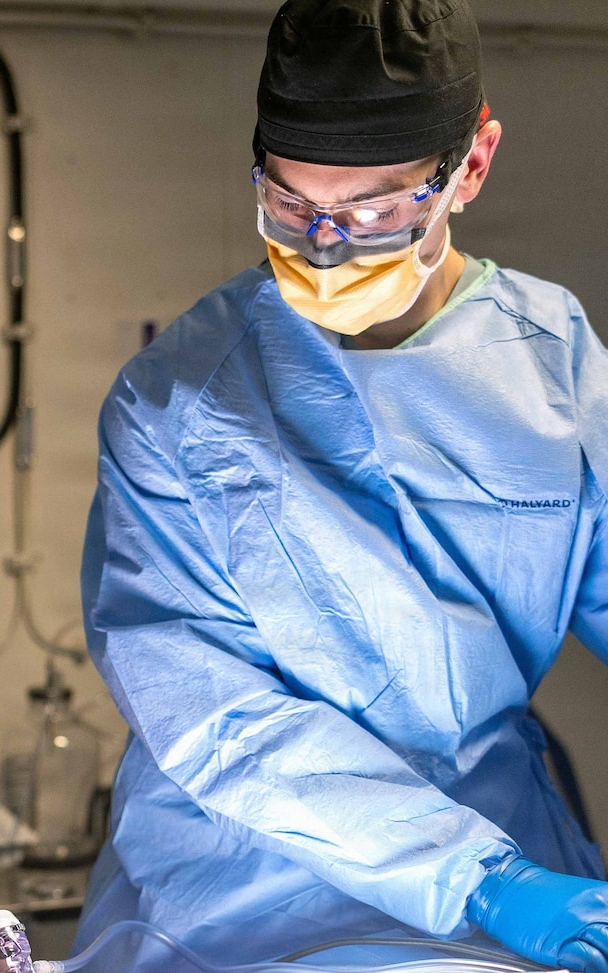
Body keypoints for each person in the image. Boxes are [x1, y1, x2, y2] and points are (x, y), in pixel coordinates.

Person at [77, 2, 608, 971]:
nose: (323, 246)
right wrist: (472, 878)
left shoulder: (553, 365)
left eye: (371, 210)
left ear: (472, 165)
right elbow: (216, 719)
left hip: (499, 872)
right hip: (244, 890)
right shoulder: (177, 402)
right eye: (289, 204)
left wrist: (493, 881)